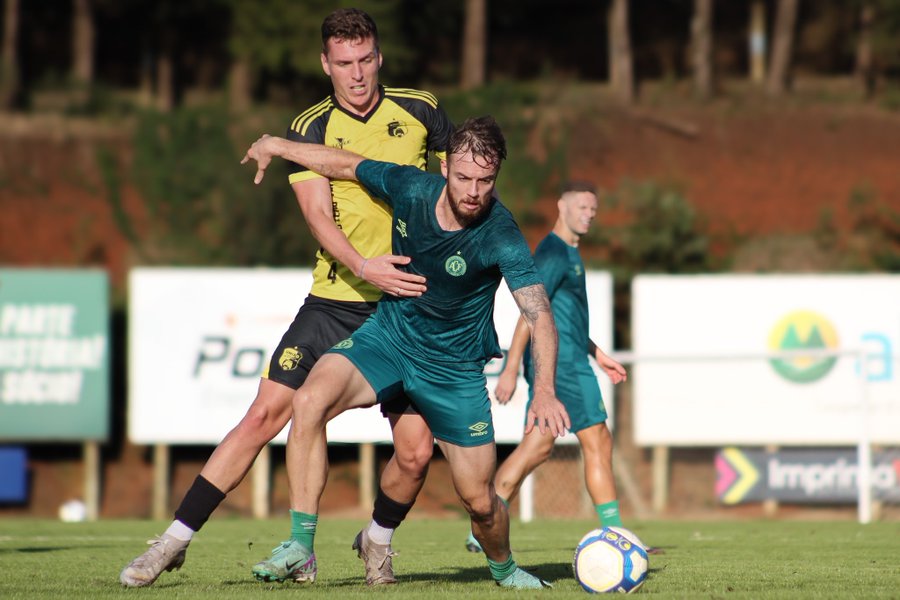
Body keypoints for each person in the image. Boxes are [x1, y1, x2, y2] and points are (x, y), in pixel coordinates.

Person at [120, 8, 453, 588]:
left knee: (417, 451)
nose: (357, 74)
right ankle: (173, 541)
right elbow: (319, 218)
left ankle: (376, 539)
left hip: (406, 305)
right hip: (336, 299)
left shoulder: (421, 110)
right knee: (262, 415)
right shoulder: (309, 127)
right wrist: (362, 264)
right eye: (344, 63)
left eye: (366, 60)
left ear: (380, 58)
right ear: (325, 64)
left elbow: (457, 198)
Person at [241, 116, 569, 590]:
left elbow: (539, 314)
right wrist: (278, 144)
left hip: (453, 370)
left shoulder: (500, 233)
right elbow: (346, 165)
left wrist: (544, 391)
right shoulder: (412, 188)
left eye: (485, 180)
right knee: (309, 401)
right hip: (389, 339)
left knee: (476, 499)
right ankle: (300, 546)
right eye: (463, 178)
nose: (474, 191)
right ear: (445, 166)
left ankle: (503, 568)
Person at [462, 181, 656, 554]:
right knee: (597, 440)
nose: (588, 215)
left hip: (569, 360)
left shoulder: (568, 252)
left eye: (593, 211)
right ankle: (616, 535)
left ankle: (479, 529)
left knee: (536, 448)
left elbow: (564, 319)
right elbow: (530, 312)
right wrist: (511, 366)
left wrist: (597, 353)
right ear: (561, 207)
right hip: (563, 367)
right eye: (582, 207)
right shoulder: (553, 252)